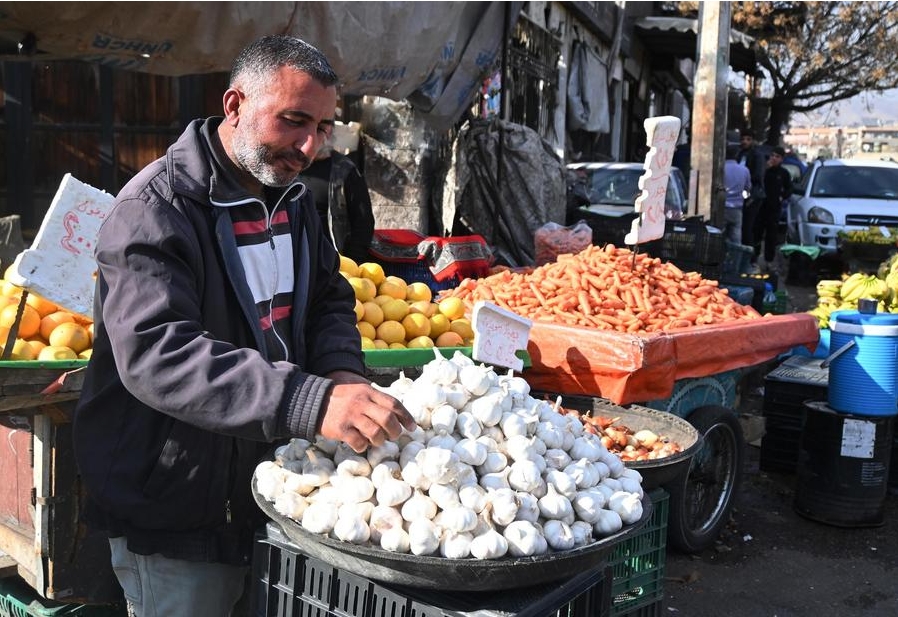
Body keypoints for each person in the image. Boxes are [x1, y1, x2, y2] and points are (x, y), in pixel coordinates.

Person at [71, 35, 415, 617]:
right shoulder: (154, 210)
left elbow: (328, 298)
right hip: (179, 501)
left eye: (323, 127)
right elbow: (159, 353)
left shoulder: (295, 200)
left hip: (274, 487)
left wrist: (341, 376)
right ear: (235, 105)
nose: (309, 146)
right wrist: (310, 401)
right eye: (293, 121)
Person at [298, 144, 375, 264]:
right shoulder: (286, 166)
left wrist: (351, 263)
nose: (315, 136)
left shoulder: (344, 169)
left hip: (332, 263)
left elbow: (363, 222)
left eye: (323, 127)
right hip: (293, 259)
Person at [754, 146, 793, 272]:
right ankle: (754, 259)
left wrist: (782, 197)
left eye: (777, 157)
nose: (774, 159)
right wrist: (765, 168)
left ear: (781, 159)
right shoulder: (765, 170)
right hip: (760, 207)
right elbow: (756, 180)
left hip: (774, 209)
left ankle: (769, 261)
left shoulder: (784, 173)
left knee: (771, 236)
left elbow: (789, 189)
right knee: (757, 234)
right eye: (772, 156)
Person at [737, 129, 767, 263]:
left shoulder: (757, 155)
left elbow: (758, 176)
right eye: (743, 139)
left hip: (753, 195)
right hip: (740, 194)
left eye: (748, 139)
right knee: (742, 227)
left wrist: (743, 178)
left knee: (749, 226)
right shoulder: (739, 154)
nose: (745, 142)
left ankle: (750, 258)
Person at [723, 143, 752, 244]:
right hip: (737, 208)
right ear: (737, 155)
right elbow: (748, 189)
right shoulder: (744, 170)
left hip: (722, 207)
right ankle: (735, 258)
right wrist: (744, 198)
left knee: (720, 237)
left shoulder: (720, 169)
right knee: (735, 237)